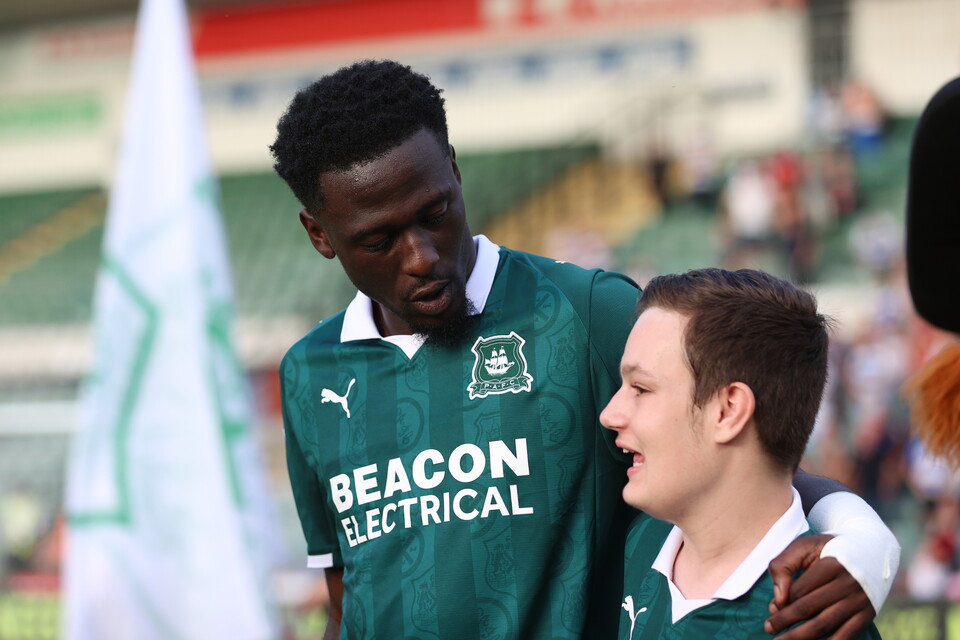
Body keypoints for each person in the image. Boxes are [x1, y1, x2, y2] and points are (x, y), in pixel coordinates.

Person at [269, 59, 898, 640]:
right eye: (379, 239)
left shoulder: (588, 311)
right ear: (320, 235)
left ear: (456, 173)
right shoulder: (309, 375)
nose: (422, 255)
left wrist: (863, 534)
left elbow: (742, 452)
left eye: (436, 212)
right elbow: (347, 598)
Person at [600, 268, 882, 638]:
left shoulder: (815, 618)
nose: (609, 414)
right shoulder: (643, 541)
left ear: (729, 409)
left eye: (641, 388)